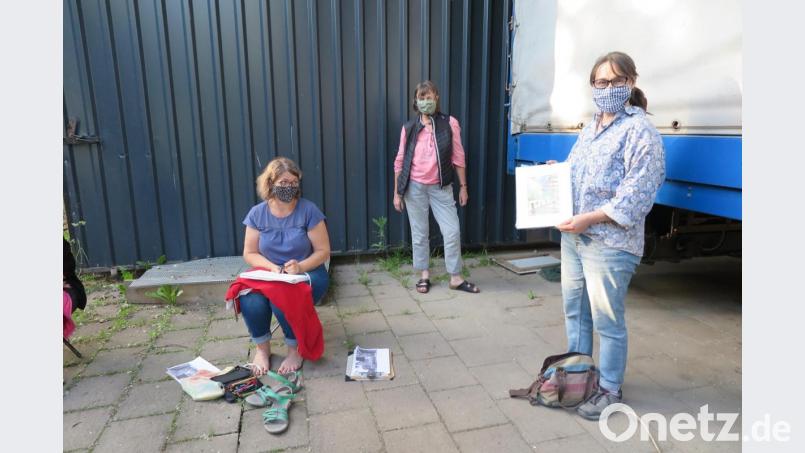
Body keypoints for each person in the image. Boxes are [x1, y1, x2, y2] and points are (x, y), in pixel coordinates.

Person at [553, 52, 665, 420]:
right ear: (593, 86)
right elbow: (574, 172)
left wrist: (591, 218)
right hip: (576, 238)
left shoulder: (640, 130)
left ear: (631, 83)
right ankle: (577, 375)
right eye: (601, 82)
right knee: (576, 312)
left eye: (617, 82)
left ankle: (610, 389)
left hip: (611, 243)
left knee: (606, 320)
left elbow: (638, 193)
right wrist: (554, 177)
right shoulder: (592, 127)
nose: (608, 89)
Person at [239, 157, 331, 375]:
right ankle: (262, 349)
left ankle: (294, 348)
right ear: (270, 183)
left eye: (293, 182)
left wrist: (300, 266)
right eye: (283, 183)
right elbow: (249, 253)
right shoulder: (257, 214)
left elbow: (323, 251)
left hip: (307, 270)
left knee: (284, 300)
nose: (289, 187)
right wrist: (271, 267)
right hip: (270, 271)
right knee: (248, 297)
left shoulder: (308, 210)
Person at [393, 80, 480, 294]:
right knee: (420, 232)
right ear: (416, 101)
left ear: (436, 98)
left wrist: (463, 187)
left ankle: (456, 278)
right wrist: (397, 193)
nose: (425, 102)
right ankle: (423, 275)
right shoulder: (409, 128)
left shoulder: (450, 123)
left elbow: (458, 156)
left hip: (442, 187)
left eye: (429, 97)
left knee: (451, 231)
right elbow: (400, 161)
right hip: (414, 187)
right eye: (421, 98)